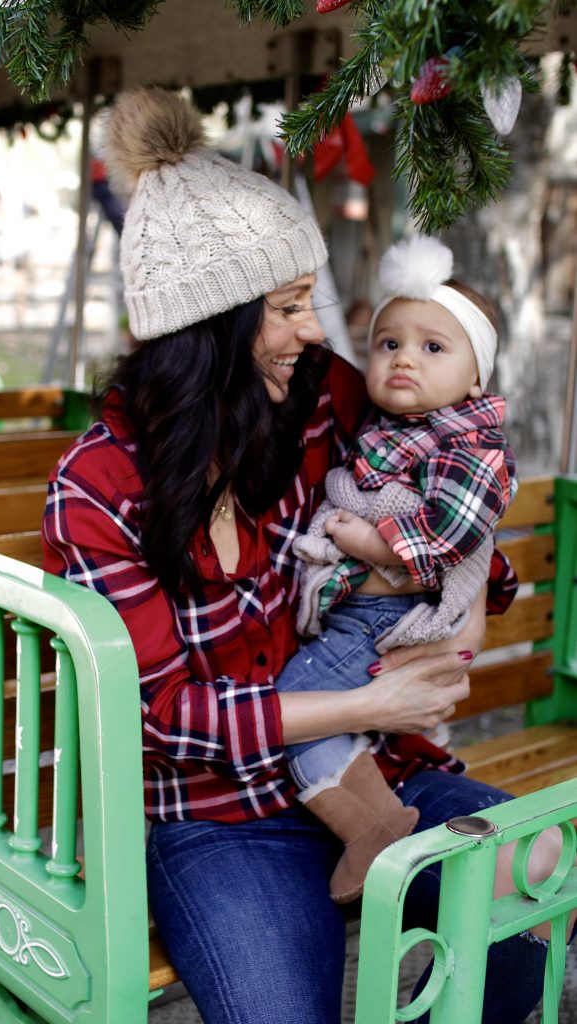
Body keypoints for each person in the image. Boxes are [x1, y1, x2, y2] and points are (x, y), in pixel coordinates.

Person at [42, 87, 570, 1024]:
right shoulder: (100, 486)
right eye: (288, 307)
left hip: (372, 771)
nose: (316, 330)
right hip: (215, 816)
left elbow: (451, 485)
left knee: (540, 884)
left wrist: (452, 595)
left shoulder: (320, 401)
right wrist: (369, 696)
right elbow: (158, 716)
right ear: (211, 329)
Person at [275, 234, 518, 903]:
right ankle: (372, 819)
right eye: (388, 344)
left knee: (300, 710)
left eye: (432, 347)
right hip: (371, 613)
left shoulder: (468, 443)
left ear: (475, 377)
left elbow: (451, 538)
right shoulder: (394, 428)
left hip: (385, 615)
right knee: (313, 710)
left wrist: (370, 544)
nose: (404, 358)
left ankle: (372, 829)